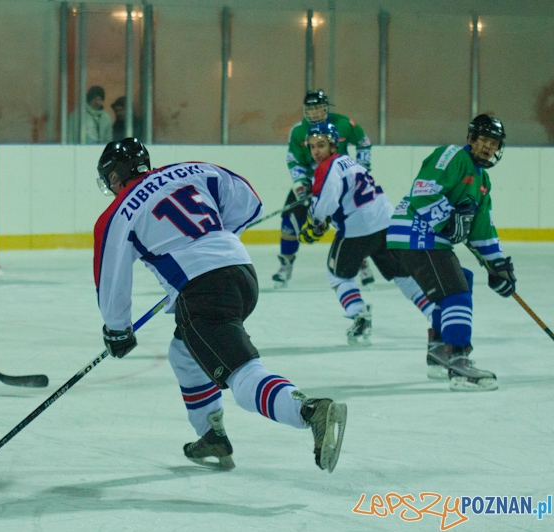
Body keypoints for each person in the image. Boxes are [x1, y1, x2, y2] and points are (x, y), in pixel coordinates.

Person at [93, 137, 347, 472]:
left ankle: (308, 410)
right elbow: (248, 200)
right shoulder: (189, 170)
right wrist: (212, 246)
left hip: (203, 290)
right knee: (183, 352)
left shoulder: (118, 211)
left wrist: (117, 330)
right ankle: (211, 434)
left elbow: (110, 274)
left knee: (242, 377)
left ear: (114, 177)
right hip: (242, 273)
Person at [386, 114, 513, 392]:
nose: (489, 147)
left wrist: (498, 265)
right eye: (484, 141)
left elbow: (482, 229)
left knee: (461, 279)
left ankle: (437, 351)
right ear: (471, 139)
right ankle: (459, 362)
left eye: (494, 143)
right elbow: (422, 192)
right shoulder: (452, 156)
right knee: (456, 289)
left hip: (426, 238)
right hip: (414, 233)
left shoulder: (483, 180)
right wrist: (448, 219)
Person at [298, 123, 434, 345]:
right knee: (402, 275)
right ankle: (435, 315)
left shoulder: (326, 168)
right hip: (387, 223)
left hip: (357, 229)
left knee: (338, 276)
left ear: (333, 145)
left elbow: (325, 205)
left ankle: (359, 315)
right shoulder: (351, 163)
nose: (316, 151)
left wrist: (313, 224)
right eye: (312, 146)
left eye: (321, 145)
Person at [275, 90, 375, 289]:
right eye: (310, 109)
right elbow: (294, 160)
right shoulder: (297, 131)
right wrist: (301, 185)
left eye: (319, 108)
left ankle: (362, 262)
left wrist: (360, 169)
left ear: (326, 109)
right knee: (290, 221)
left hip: (339, 182)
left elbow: (364, 143)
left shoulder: (344, 123)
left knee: (352, 222)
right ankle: (286, 263)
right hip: (312, 182)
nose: (314, 113)